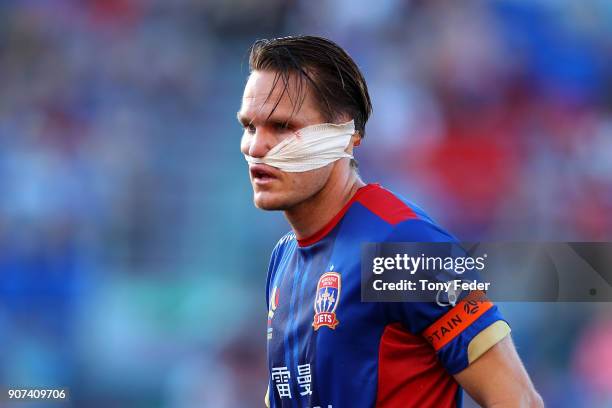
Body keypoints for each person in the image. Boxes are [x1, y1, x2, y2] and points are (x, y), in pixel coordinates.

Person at [238, 35, 542, 408]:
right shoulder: (283, 258)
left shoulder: (400, 246)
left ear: (345, 136)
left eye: (282, 127)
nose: (255, 147)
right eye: (250, 127)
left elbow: (517, 400)